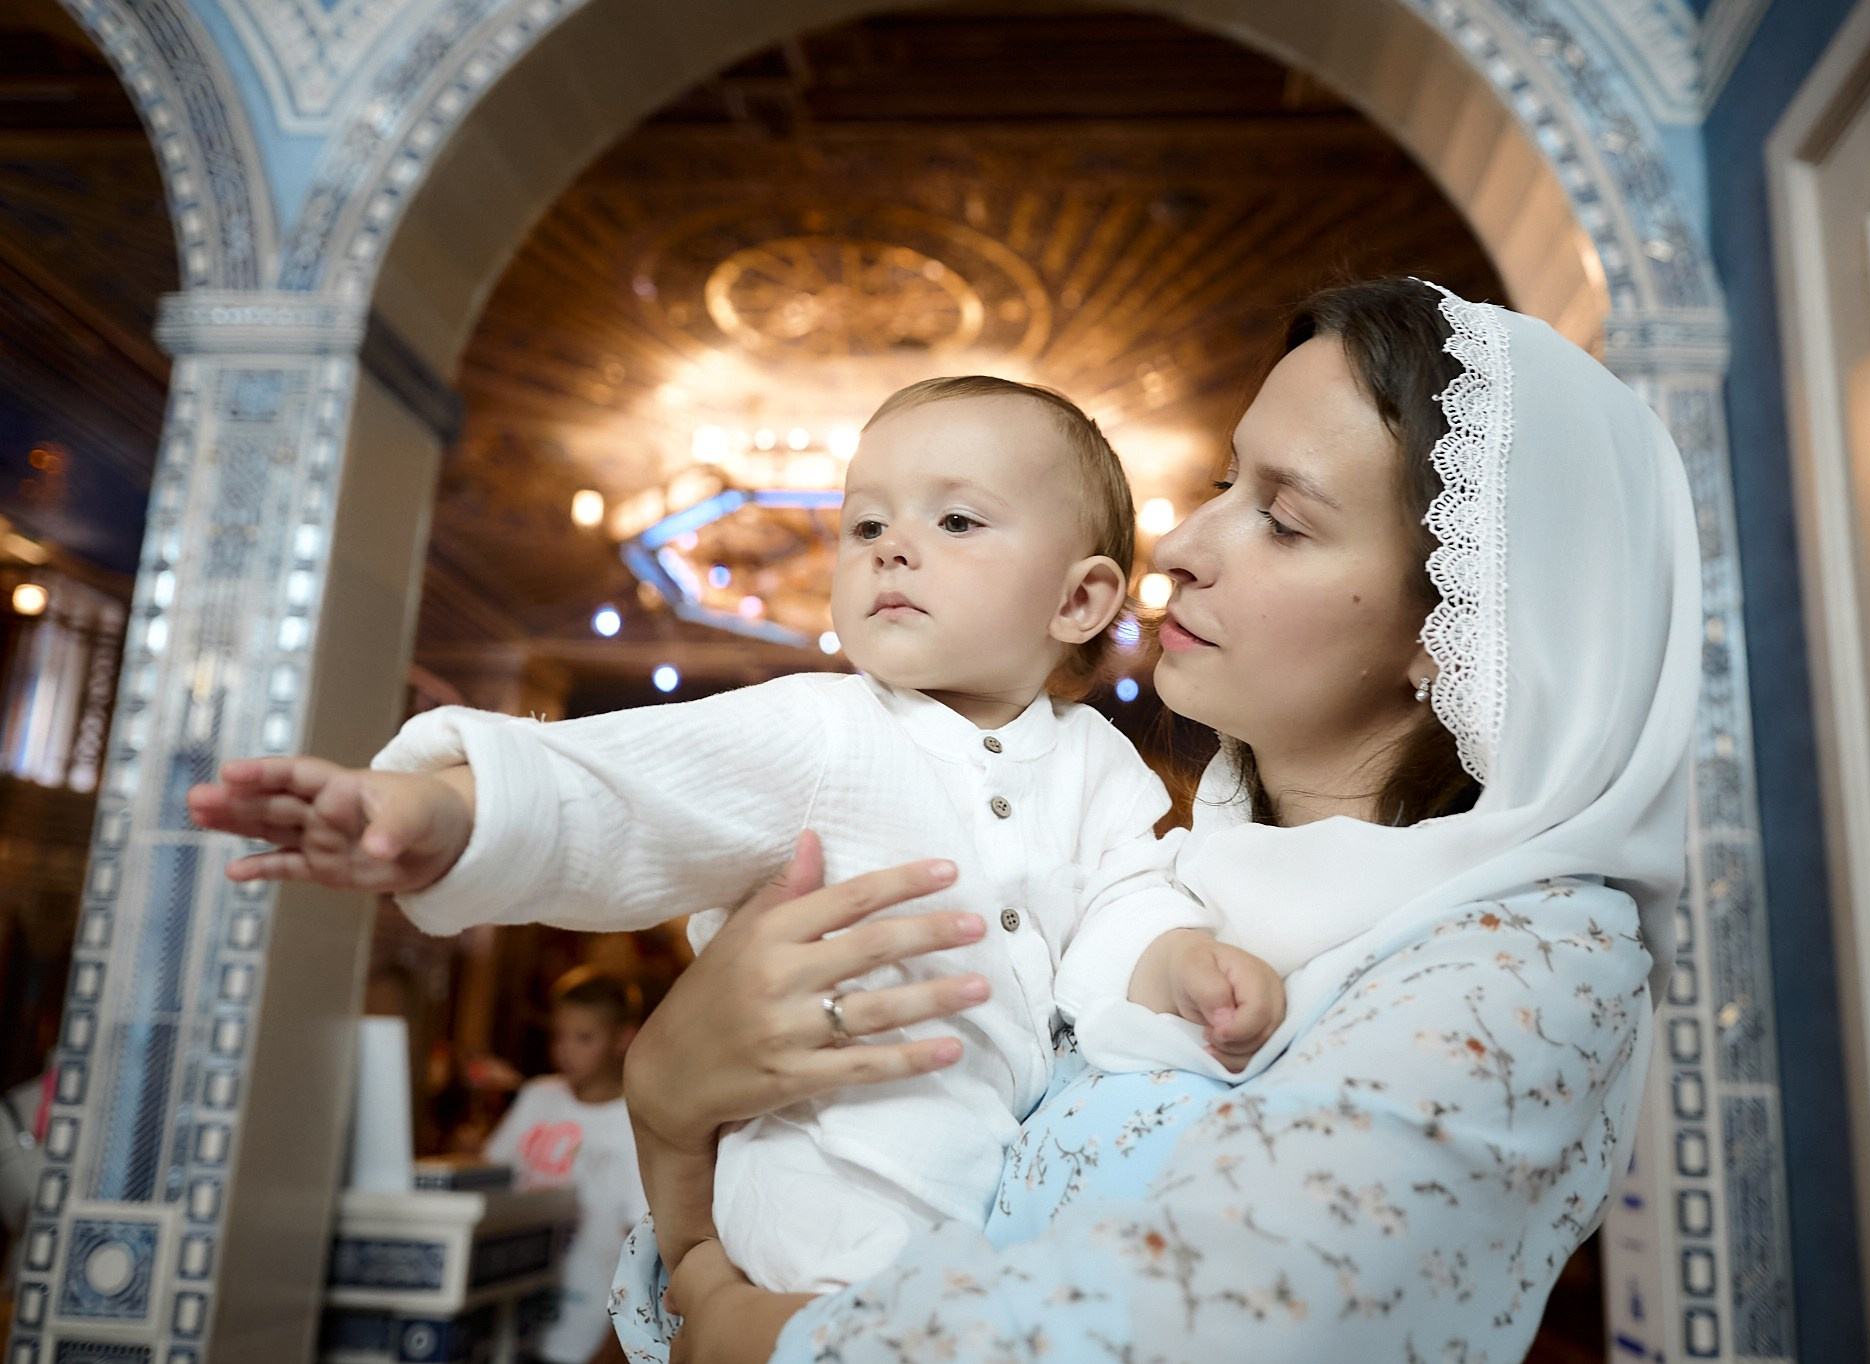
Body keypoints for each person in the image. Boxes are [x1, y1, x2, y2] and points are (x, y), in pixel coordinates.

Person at [606, 276, 1703, 1363]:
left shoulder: (1531, 961)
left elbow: (1228, 1324)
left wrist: (772, 1336)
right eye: (1225, 482)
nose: (1178, 546)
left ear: (1456, 624)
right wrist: (665, 1109)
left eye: (1282, 519)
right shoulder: (1144, 886)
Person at [185, 376, 1292, 1295]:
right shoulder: (821, 726)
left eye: (954, 521)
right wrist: (439, 814)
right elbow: (624, 792)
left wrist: (1177, 963)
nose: (891, 549)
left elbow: (1124, 899)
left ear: (1079, 601)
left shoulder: (1096, 762)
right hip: (828, 1175)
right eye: (866, 524)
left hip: (993, 1176)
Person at [486, 968, 647, 1364]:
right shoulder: (538, 1096)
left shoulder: (636, 1120)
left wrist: (615, 1348)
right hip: (507, 1321)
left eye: (584, 1038)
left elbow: (642, 1250)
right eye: (559, 1035)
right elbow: (491, 1180)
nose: (566, 1050)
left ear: (622, 1038)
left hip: (583, 1333)